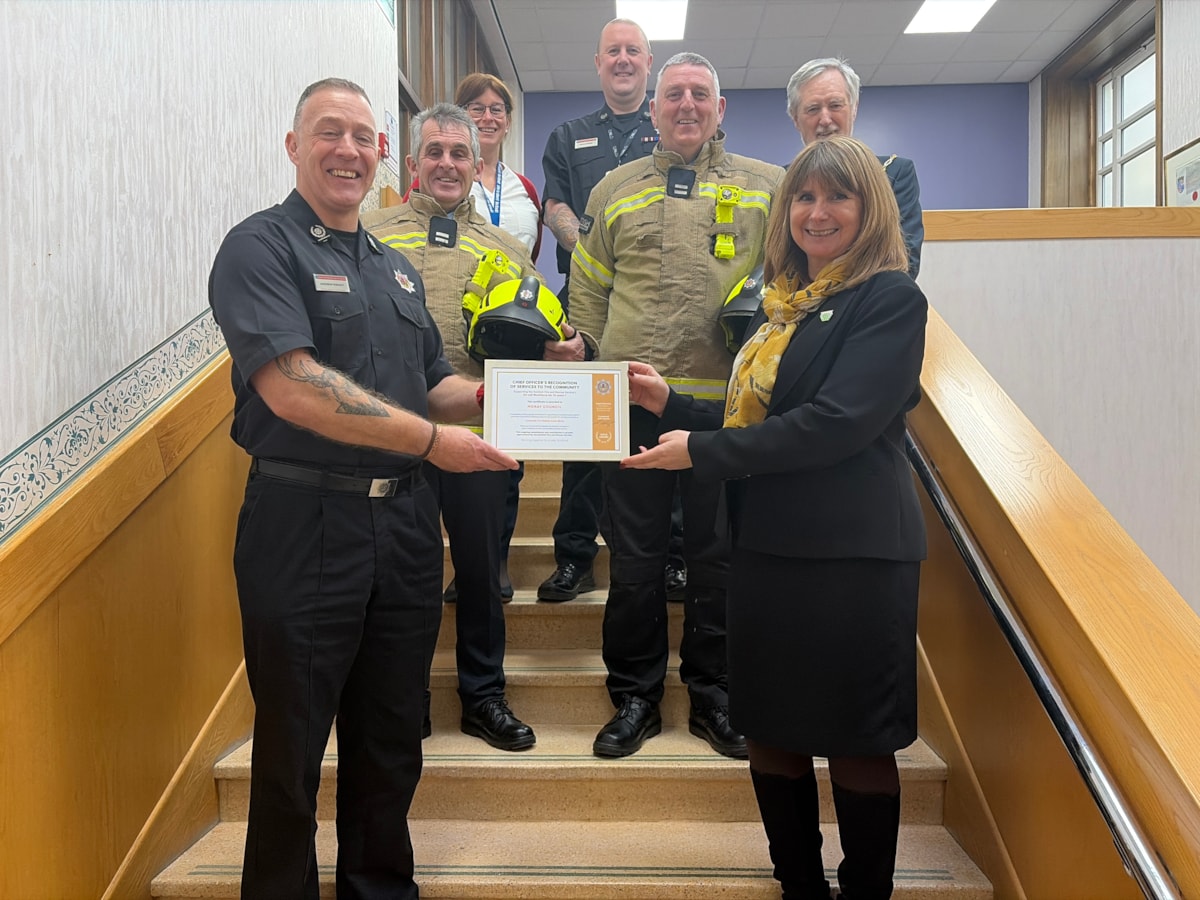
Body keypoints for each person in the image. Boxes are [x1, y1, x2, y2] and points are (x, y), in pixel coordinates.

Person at [209, 78, 517, 899]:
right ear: (294, 146)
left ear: (384, 156)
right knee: (291, 752)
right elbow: (294, 386)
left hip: (406, 533)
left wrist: (516, 398)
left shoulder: (395, 270)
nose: (347, 149)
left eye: (363, 136)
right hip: (304, 522)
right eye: (328, 132)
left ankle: (380, 889)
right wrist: (430, 441)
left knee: (391, 742)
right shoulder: (260, 248)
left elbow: (434, 387)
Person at [623, 134, 928, 899]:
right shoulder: (784, 308)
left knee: (857, 740)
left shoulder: (890, 298)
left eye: (837, 197)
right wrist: (675, 406)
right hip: (765, 548)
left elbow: (837, 423)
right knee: (770, 730)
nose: (816, 212)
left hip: (852, 559)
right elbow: (760, 416)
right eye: (804, 197)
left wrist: (699, 451)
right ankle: (798, 884)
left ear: (871, 210)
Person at [569, 52, 784, 759]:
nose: (686, 105)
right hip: (628, 405)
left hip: (726, 414)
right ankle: (634, 696)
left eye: (700, 94)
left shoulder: (768, 188)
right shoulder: (613, 188)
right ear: (654, 111)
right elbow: (589, 290)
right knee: (633, 561)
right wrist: (585, 359)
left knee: (717, 559)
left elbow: (785, 288)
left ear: (720, 109)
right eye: (674, 96)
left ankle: (713, 694)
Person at [362, 103, 578, 753]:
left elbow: (544, 331)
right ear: (413, 163)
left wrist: (565, 349)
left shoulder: (509, 248)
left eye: (460, 153)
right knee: (403, 575)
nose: (448, 164)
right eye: (435, 152)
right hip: (394, 437)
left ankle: (484, 696)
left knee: (482, 572)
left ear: (476, 163)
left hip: (483, 433)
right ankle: (407, 698)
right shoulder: (370, 238)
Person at [537, 17, 690, 603]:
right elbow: (555, 207)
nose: (623, 60)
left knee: (661, 428)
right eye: (612, 52)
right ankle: (574, 556)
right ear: (597, 64)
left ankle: (674, 556)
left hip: (660, 304)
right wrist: (600, 248)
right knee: (586, 435)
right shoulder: (568, 134)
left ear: (648, 63)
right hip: (589, 302)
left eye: (634, 51)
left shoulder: (671, 129)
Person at [455, 72, 541, 601]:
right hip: (457, 332)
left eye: (497, 109)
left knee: (508, 455)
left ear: (508, 121)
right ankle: (462, 565)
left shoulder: (525, 189)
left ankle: (498, 560)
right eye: (476, 107)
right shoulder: (442, 176)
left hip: (515, 334)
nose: (488, 117)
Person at [787, 57, 924, 278]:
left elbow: (905, 262)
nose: (825, 118)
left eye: (835, 105)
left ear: (854, 109)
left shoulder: (893, 172)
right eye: (813, 109)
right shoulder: (781, 179)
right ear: (795, 119)